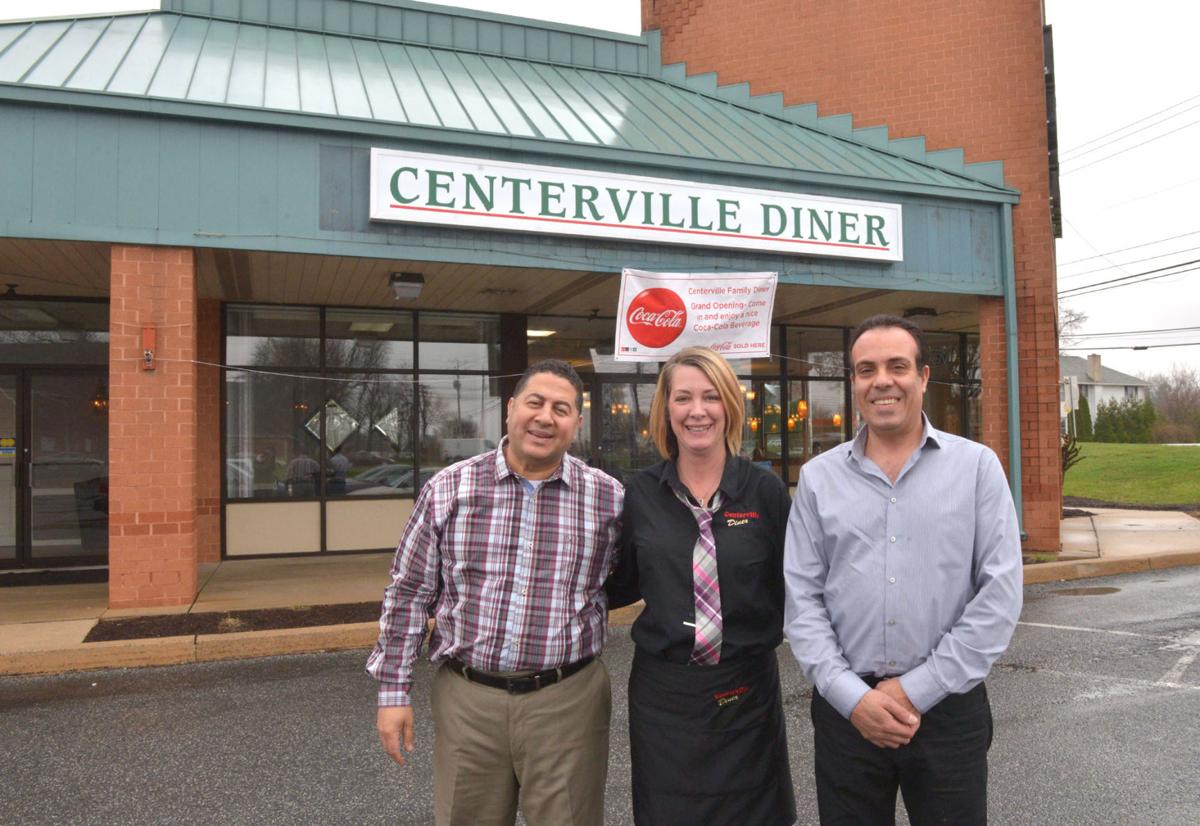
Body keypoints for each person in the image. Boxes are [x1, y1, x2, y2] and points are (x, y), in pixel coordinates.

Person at [783, 314, 1023, 825]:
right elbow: (802, 602)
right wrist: (854, 698)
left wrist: (916, 689)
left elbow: (999, 595)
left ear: (924, 377)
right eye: (866, 369)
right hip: (848, 715)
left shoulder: (977, 468)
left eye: (897, 366)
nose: (882, 381)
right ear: (853, 382)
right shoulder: (818, 480)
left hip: (947, 711)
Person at [366, 359, 623, 826]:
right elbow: (408, 592)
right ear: (510, 410)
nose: (546, 417)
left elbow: (633, 579)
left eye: (561, 409)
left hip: (569, 701)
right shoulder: (449, 489)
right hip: (469, 700)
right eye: (535, 402)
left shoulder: (609, 499)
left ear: (577, 424)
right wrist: (393, 692)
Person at [608, 346, 796, 826]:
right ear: (665, 409)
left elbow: (795, 584)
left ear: (729, 406)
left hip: (746, 691)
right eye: (683, 398)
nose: (697, 411)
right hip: (665, 696)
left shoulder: (765, 491)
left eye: (711, 397)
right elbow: (619, 584)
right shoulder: (639, 495)